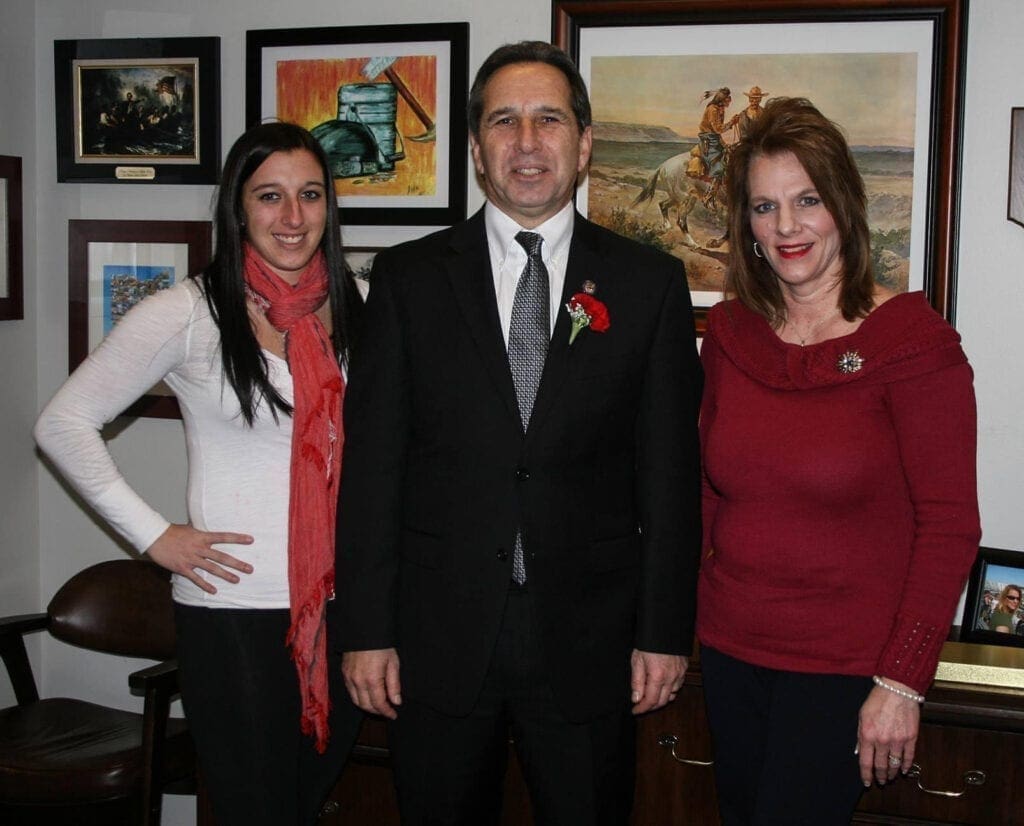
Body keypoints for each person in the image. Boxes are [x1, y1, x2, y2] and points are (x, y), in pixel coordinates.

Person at [332, 40, 703, 826]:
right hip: (435, 641)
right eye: (504, 121)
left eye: (549, 119)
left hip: (591, 643)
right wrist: (364, 630)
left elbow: (669, 478)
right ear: (475, 149)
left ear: (585, 142)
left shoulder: (648, 285)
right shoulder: (405, 281)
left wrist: (664, 633)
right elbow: (372, 471)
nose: (527, 142)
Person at [34, 122, 363, 826]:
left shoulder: (360, 305)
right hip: (233, 614)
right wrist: (154, 537)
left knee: (309, 802)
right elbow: (62, 425)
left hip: (344, 605)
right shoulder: (189, 312)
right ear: (237, 208)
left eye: (310, 194)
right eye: (269, 196)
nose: (293, 217)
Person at [697, 97, 980, 825]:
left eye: (806, 200)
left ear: (843, 206)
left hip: (846, 672)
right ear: (746, 225)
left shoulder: (914, 346)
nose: (786, 226)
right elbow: (708, 492)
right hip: (730, 653)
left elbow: (948, 526)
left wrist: (903, 682)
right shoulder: (729, 335)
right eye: (764, 206)